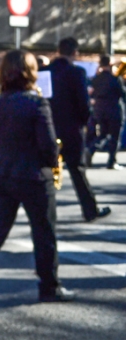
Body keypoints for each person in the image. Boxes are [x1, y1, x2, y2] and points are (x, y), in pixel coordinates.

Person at [0, 50, 74, 306]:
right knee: (44, 233)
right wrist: (49, 164)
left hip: (0, 172)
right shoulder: (37, 103)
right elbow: (49, 147)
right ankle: (49, 287)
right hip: (33, 176)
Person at [41, 38, 111, 221]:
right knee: (77, 171)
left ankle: (44, 212)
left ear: (58, 50)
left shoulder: (45, 71)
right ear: (75, 52)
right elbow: (83, 104)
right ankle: (90, 210)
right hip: (71, 128)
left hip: (48, 127)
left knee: (46, 170)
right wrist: (84, 123)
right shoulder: (76, 72)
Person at [89, 55, 126, 169]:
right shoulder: (115, 78)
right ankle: (111, 162)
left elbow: (93, 94)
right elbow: (123, 94)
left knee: (103, 134)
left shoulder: (95, 79)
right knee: (115, 136)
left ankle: (90, 150)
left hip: (100, 109)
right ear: (110, 64)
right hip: (114, 110)